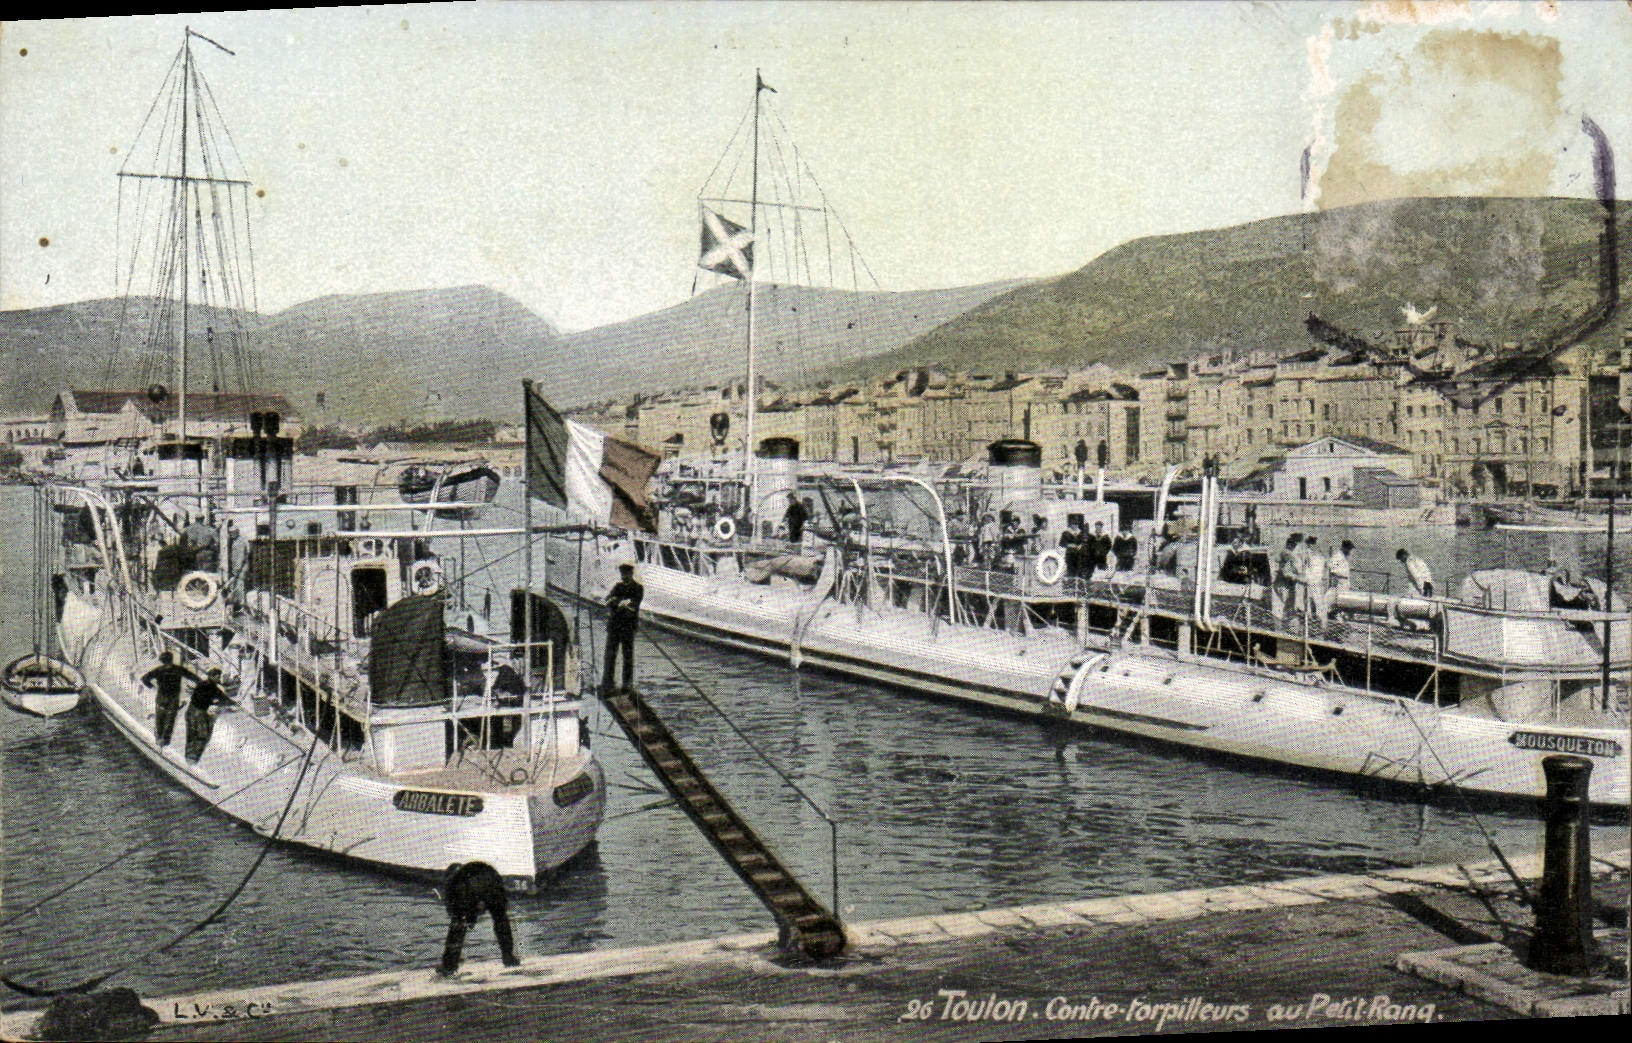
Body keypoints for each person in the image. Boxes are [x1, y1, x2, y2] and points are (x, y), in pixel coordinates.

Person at [437, 861, 520, 976]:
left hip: (477, 884)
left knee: (458, 925)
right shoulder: (477, 871)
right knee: (500, 919)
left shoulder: (453, 884)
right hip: (491, 879)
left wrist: (469, 915)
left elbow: (458, 917)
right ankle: (509, 958)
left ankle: (449, 967)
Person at [141, 650, 197, 748]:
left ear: (162, 661)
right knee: (170, 721)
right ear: (172, 659)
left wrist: (153, 687)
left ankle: (158, 740)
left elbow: (144, 678)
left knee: (160, 720)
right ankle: (165, 741)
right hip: (173, 700)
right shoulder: (178, 669)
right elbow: (194, 678)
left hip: (161, 699)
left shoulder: (159, 670)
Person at [604, 563, 644, 692]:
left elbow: (634, 605)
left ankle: (627, 684)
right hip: (615, 626)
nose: (624, 577)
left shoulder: (638, 588)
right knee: (610, 655)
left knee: (627, 656)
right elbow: (608, 600)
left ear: (631, 574)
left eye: (626, 574)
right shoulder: (618, 586)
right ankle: (608, 682)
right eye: (622, 574)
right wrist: (619, 602)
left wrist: (618, 602)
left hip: (628, 627)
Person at [183, 666, 234, 763]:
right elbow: (223, 698)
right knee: (203, 735)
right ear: (213, 677)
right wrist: (233, 704)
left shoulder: (201, 684)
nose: (219, 679)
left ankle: (188, 756)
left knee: (191, 733)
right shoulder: (213, 688)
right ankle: (193, 758)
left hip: (190, 710)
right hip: (199, 712)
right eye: (218, 677)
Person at [1272, 534, 1303, 620]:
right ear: (1290, 546)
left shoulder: (1285, 553)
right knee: (1284, 605)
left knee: (1285, 605)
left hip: (1285, 583)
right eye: (1294, 546)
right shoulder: (1287, 554)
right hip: (1283, 584)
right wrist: (1297, 577)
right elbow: (1286, 572)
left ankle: (1285, 619)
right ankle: (1283, 623)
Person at [1303, 535, 1328, 620]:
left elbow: (1305, 565)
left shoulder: (1308, 553)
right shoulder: (1320, 553)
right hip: (1318, 578)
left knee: (1309, 596)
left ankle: (1309, 614)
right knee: (1318, 596)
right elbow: (1325, 565)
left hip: (1311, 578)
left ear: (1309, 544)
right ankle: (1318, 614)